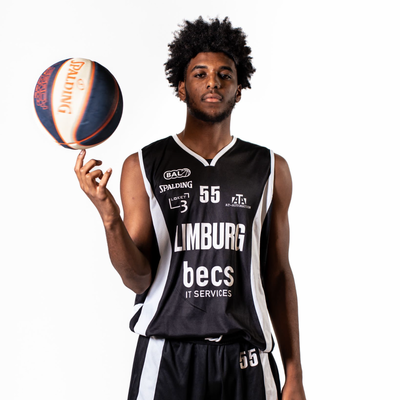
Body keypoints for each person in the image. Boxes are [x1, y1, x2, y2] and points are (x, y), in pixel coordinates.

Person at [75, 16, 306, 400]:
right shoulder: (143, 165)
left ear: (239, 90)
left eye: (224, 75)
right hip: (168, 356)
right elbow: (137, 280)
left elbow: (278, 275)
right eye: (200, 74)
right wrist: (109, 215)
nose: (213, 82)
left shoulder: (270, 168)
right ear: (181, 87)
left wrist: (294, 374)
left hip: (246, 357)